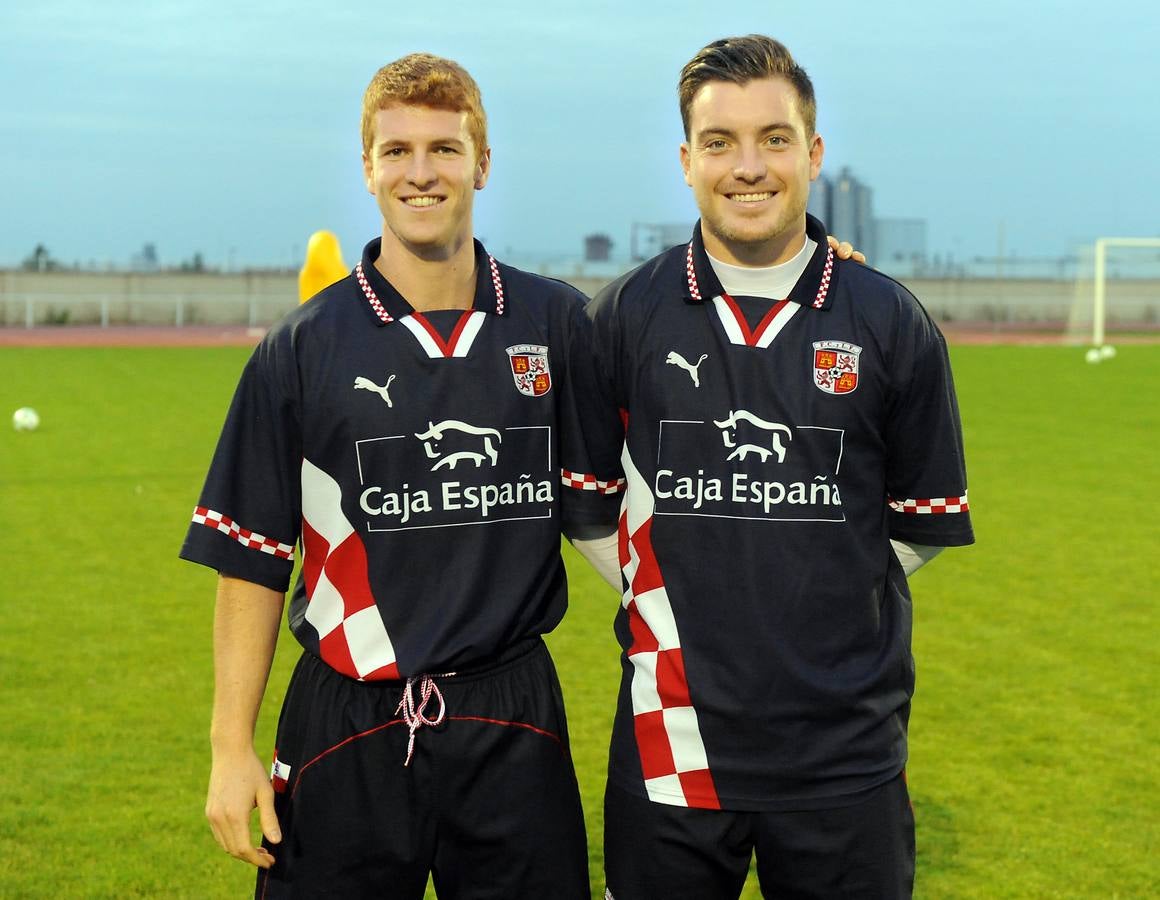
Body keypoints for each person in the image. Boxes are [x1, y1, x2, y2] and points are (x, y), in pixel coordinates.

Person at [180, 53, 624, 898]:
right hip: (346, 715)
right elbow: (251, 558)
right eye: (397, 152)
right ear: (368, 168)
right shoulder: (302, 349)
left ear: (482, 164)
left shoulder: (555, 321)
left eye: (445, 150)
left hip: (511, 710)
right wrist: (228, 748)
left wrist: (809, 270)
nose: (421, 174)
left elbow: (686, 384)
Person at [584, 35, 974, 899]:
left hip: (846, 751)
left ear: (814, 154)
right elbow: (584, 503)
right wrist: (674, 582)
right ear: (687, 161)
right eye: (719, 143)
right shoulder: (623, 317)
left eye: (774, 138)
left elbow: (920, 523)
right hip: (671, 737)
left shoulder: (889, 321)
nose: (747, 166)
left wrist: (816, 587)